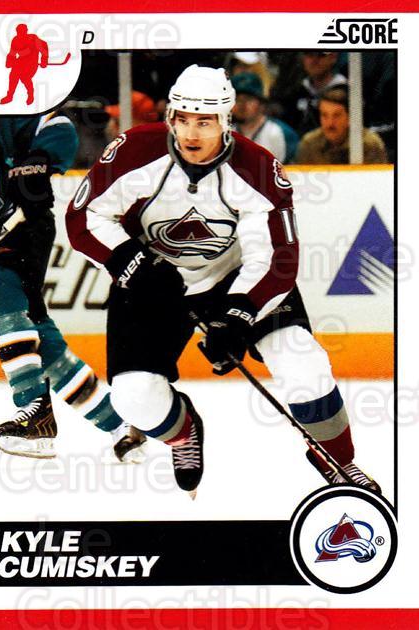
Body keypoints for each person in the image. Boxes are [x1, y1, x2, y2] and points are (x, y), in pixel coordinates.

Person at [66, 64, 380, 495]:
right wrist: (135, 264)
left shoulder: (258, 168)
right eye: (182, 119)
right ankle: (184, 433)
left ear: (226, 120)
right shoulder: (134, 151)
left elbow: (277, 259)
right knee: (134, 397)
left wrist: (238, 315)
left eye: (204, 121)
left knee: (300, 358)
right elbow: (83, 218)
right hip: (150, 280)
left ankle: (339, 460)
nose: (191, 134)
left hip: (233, 276)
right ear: (170, 116)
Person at [0, 114, 145, 461]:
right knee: (39, 334)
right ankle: (118, 424)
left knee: (2, 302)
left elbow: (57, 124)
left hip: (20, 229)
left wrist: (37, 162)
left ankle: (34, 412)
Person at [295, 87, 388, 164]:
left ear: (350, 117)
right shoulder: (309, 144)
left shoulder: (369, 144)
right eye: (324, 115)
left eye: (337, 115)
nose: (330, 123)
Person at [272, 52, 347, 136]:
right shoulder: (295, 92)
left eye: (321, 55)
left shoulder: (347, 92)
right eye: (310, 55)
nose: (314, 61)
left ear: (333, 57)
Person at [231, 72, 299, 163]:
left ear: (261, 104)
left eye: (248, 99)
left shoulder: (281, 132)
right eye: (236, 99)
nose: (242, 105)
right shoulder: (225, 133)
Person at [0, 24, 48, 106]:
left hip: (32, 63)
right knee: (13, 76)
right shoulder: (15, 40)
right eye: (19, 32)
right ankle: (9, 96)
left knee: (25, 77)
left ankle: (30, 95)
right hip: (20, 62)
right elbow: (12, 53)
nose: (20, 33)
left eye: (22, 31)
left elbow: (44, 48)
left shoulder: (33, 39)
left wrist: (44, 60)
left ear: (26, 31)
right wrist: (9, 62)